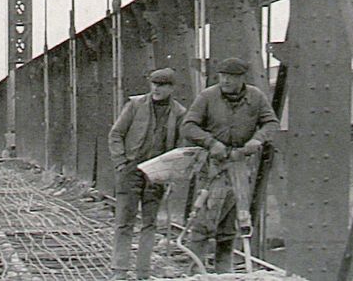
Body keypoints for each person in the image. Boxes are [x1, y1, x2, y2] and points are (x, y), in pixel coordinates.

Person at [180, 57, 280, 274]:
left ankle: (224, 272)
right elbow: (188, 126)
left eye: (230, 77)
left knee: (231, 223)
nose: (224, 81)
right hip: (213, 165)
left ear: (241, 78)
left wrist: (258, 140)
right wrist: (211, 143)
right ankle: (194, 272)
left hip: (240, 164)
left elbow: (271, 122)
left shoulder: (256, 97)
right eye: (222, 76)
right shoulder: (207, 96)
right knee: (204, 219)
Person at [108, 67, 187, 280]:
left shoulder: (179, 113)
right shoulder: (135, 105)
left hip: (157, 174)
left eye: (162, 85)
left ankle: (143, 272)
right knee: (124, 221)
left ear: (171, 88)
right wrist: (121, 163)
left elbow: (180, 147)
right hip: (131, 170)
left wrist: (172, 176)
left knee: (149, 223)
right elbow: (116, 134)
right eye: (154, 84)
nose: (156, 89)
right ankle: (120, 270)